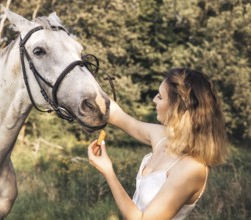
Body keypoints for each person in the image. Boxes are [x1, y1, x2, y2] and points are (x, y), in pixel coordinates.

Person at [88, 68, 228, 220]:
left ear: (178, 107)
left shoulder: (192, 168)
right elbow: (118, 116)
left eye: (160, 97)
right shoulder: (163, 136)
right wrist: (83, 79)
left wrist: (108, 172)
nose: (154, 100)